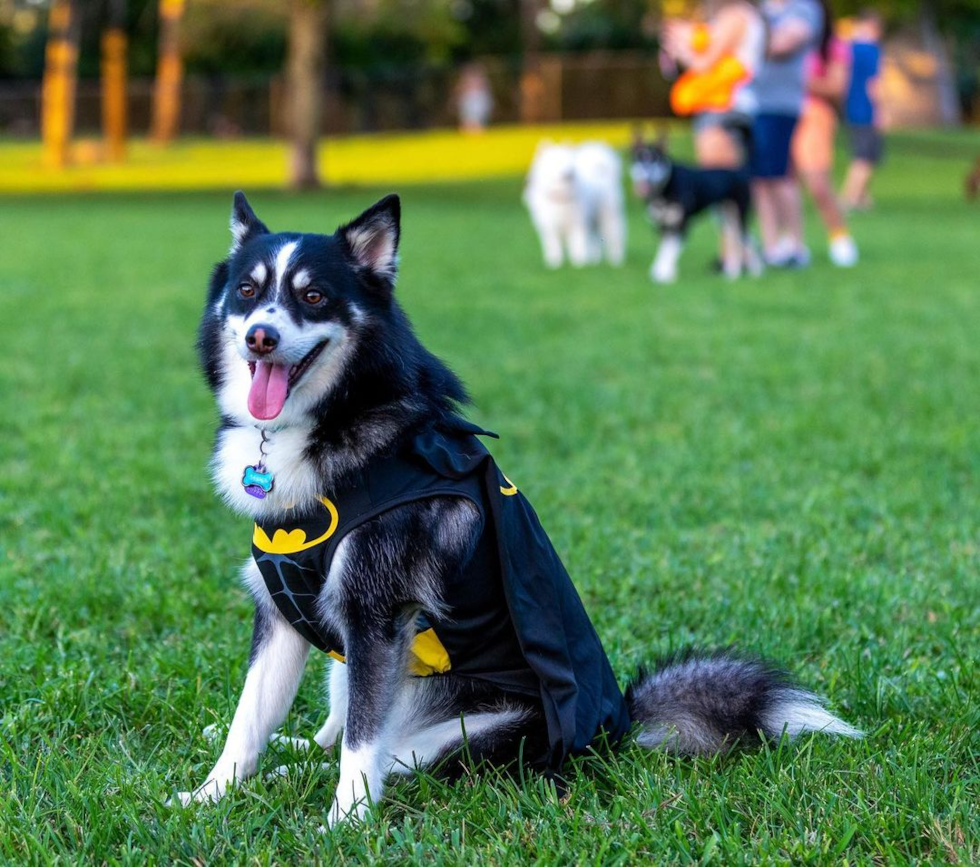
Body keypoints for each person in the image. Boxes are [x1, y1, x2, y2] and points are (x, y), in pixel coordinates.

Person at [746, 0, 823, 268]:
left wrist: (742, 37)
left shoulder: (803, 9)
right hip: (749, 103)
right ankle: (771, 246)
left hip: (780, 105)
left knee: (778, 174)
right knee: (758, 178)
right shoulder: (761, 9)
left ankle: (795, 244)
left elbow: (782, 44)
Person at [791, 0, 859, 266]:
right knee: (784, 182)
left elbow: (837, 86)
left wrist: (798, 81)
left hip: (815, 114)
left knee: (817, 181)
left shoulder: (833, 46)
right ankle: (791, 242)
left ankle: (839, 236)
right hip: (783, 113)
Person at [662, 1, 767, 170]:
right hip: (725, 106)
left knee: (720, 179)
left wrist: (681, 49)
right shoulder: (733, 15)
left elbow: (704, 64)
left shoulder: (735, 16)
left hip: (724, 108)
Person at [841, 10, 884, 210]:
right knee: (865, 157)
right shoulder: (871, 50)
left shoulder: (849, 49)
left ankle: (862, 197)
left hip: (851, 107)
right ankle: (848, 197)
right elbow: (873, 83)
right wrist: (881, 110)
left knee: (863, 153)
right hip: (866, 109)